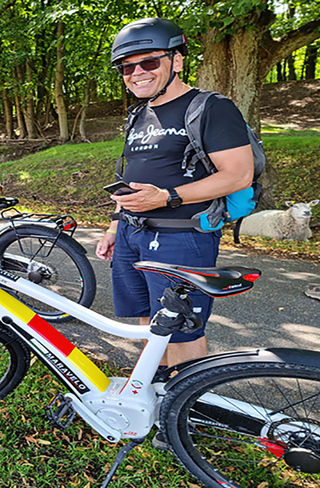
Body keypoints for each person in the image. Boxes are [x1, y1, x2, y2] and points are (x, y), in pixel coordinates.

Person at [95, 18, 254, 368]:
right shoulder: (138, 113)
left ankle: (186, 409)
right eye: (126, 67)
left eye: (148, 62)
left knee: (181, 330)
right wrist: (113, 227)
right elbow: (131, 176)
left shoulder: (211, 107)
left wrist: (168, 197)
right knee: (147, 323)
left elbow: (239, 174)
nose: (136, 73)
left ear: (176, 61)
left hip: (182, 237)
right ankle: (154, 393)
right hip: (131, 233)